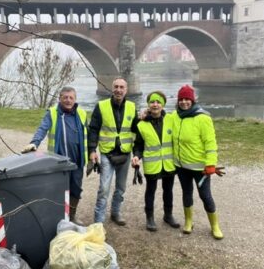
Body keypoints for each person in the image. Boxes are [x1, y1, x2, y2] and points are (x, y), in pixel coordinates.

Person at [22, 86, 88, 225]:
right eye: (65, 97)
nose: (68, 100)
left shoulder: (82, 113)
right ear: (60, 99)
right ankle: (57, 217)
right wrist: (34, 143)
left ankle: (71, 216)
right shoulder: (52, 113)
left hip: (77, 161)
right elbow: (42, 129)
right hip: (58, 161)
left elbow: (88, 135)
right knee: (57, 190)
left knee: (76, 189)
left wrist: (93, 154)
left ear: (75, 99)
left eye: (71, 98)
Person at [172, 85, 224, 240]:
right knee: (186, 194)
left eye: (187, 99)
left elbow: (210, 143)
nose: (184, 102)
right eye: (181, 99)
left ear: (192, 100)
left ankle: (214, 226)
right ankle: (188, 222)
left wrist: (210, 164)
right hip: (181, 166)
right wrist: (145, 113)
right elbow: (158, 116)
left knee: (205, 195)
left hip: (200, 168)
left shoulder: (203, 118)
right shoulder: (174, 116)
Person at [88, 77, 138, 225]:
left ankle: (115, 213)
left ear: (126, 90)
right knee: (104, 189)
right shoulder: (101, 106)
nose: (118, 90)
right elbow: (93, 129)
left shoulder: (132, 107)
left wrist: (137, 154)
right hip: (106, 153)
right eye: (116, 87)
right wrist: (92, 150)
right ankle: (98, 222)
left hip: (124, 153)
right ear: (112, 88)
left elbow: (137, 131)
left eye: (122, 87)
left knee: (121, 188)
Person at [132, 91, 180, 232]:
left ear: (163, 104)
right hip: (152, 164)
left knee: (168, 190)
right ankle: (150, 218)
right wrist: (136, 156)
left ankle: (168, 215)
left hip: (168, 163)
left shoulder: (171, 119)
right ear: (148, 105)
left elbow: (185, 115)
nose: (155, 104)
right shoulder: (141, 124)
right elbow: (139, 145)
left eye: (158, 102)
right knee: (151, 191)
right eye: (152, 102)